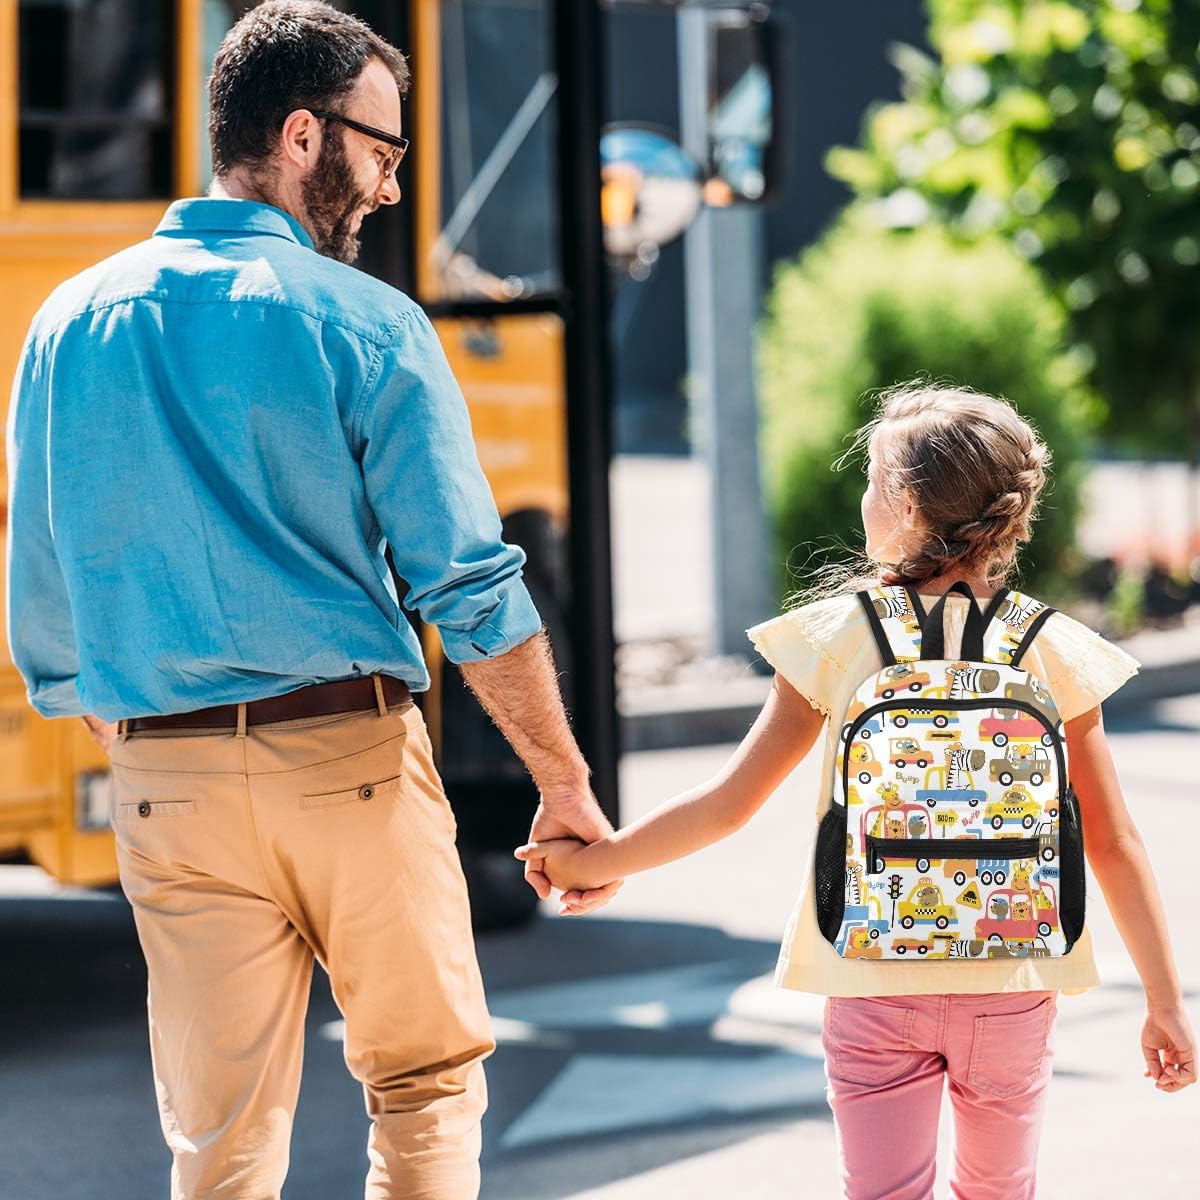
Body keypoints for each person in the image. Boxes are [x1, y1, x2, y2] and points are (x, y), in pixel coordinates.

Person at [6, 3, 618, 1197]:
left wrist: (137, 730)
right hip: (346, 760)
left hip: (163, 784)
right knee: (425, 1085)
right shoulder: (366, 322)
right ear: (301, 134)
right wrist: (561, 784)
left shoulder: (65, 323)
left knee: (219, 1138)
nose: (389, 186)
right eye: (383, 151)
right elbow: (469, 583)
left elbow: (43, 577)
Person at [517, 384, 1197, 1199]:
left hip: (872, 980)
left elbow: (729, 802)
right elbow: (1114, 841)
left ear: (906, 506)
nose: (865, 498)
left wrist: (591, 863)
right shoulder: (1049, 649)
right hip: (1012, 987)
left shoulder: (839, 636)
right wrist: (1163, 1002)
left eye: (874, 481)